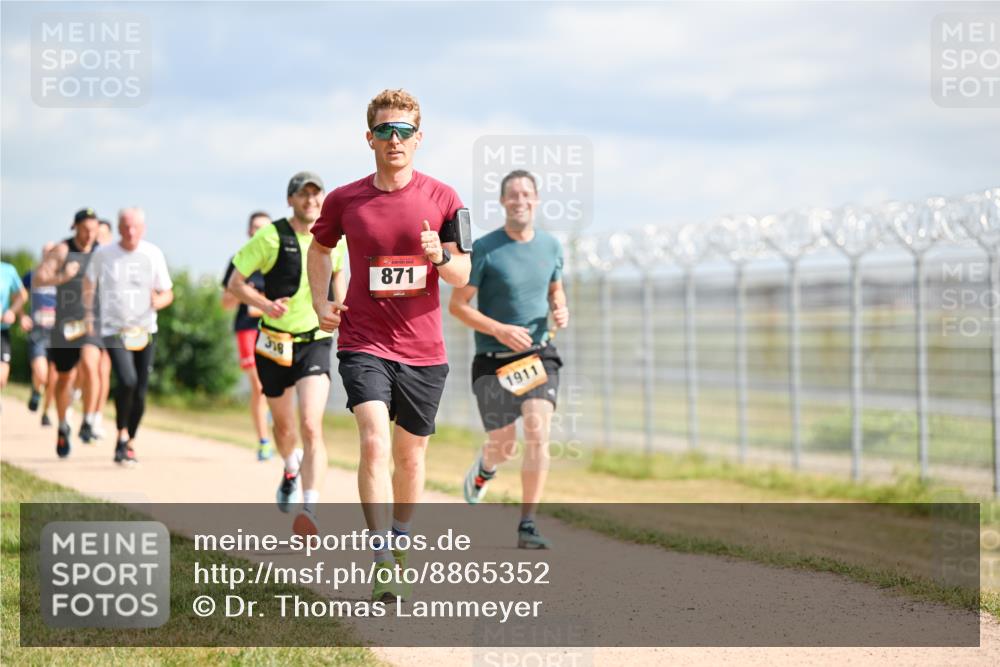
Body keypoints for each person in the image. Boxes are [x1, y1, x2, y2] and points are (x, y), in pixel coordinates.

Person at [307, 89, 471, 601]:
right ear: (369, 138)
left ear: (419, 138)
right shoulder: (344, 199)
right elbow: (319, 248)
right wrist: (320, 301)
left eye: (403, 131)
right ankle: (380, 556)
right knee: (374, 441)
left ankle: (400, 540)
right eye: (385, 130)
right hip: (364, 340)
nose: (394, 140)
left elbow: (463, 274)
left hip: (424, 349)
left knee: (410, 457)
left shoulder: (445, 198)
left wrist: (439, 257)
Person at [449, 170, 569, 549]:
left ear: (536, 199)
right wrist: (499, 330)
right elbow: (458, 305)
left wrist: (561, 308)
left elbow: (555, 291)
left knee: (537, 431)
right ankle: (485, 469)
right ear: (502, 202)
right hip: (493, 360)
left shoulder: (551, 246)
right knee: (504, 445)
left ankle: (527, 525)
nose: (520, 200)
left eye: (526, 194)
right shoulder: (486, 249)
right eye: (512, 195)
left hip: (537, 355)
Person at [228, 173, 346, 535]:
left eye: (316, 194)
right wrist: (265, 304)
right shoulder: (270, 237)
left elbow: (338, 275)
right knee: (284, 427)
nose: (310, 200)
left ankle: (309, 508)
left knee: (311, 424)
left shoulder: (334, 237)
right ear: (290, 200)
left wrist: (341, 309)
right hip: (274, 343)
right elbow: (235, 284)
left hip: (314, 341)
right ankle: (291, 467)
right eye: (302, 194)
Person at [83, 207, 173, 465]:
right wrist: (88, 315)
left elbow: (167, 292)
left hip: (144, 331)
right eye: (125, 227)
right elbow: (88, 283)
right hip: (114, 329)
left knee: (141, 391)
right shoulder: (104, 254)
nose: (130, 232)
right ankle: (121, 433)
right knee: (127, 380)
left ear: (143, 229)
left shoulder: (153, 253)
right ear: (118, 227)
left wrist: (159, 301)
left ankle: (128, 441)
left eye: (135, 227)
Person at [33, 208, 104, 457]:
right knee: (64, 378)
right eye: (85, 230)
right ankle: (63, 426)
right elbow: (39, 278)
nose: (89, 235)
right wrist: (63, 276)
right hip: (66, 324)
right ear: (75, 227)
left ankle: (88, 421)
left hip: (91, 322)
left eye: (93, 230)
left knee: (91, 364)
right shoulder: (63, 250)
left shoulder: (101, 252)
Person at [222, 211, 275, 461]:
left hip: (275, 329)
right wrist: (242, 293)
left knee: (275, 386)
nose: (259, 231)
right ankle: (264, 442)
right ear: (248, 231)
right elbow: (225, 303)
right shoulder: (238, 260)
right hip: (247, 328)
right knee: (259, 385)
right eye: (255, 227)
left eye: (265, 227)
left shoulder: (278, 261)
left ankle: (271, 414)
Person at [20, 244, 59, 425]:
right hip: (38, 333)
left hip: (57, 334)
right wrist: (22, 315)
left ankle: (46, 412)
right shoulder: (32, 276)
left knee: (54, 377)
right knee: (42, 374)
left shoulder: (62, 277)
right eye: (46, 252)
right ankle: (36, 390)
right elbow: (18, 296)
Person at [0, 261, 28, 391]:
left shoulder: (8, 270)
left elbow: (23, 295)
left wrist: (12, 311)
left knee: (2, 378)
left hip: (2, 331)